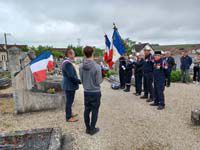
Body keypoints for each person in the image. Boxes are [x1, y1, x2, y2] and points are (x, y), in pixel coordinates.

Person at [79, 46, 103, 135]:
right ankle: (92, 129)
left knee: (87, 110)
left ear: (84, 54)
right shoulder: (97, 67)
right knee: (95, 111)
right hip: (95, 92)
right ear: (92, 53)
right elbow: (98, 81)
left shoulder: (81, 66)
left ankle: (87, 128)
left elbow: (81, 80)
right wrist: (102, 76)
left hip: (86, 92)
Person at [61, 48, 81, 122]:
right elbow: (71, 76)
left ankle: (70, 113)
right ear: (69, 54)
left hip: (68, 84)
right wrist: (79, 81)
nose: (74, 55)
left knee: (70, 101)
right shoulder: (68, 63)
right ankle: (68, 117)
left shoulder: (65, 62)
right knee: (69, 101)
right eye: (73, 53)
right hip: (69, 85)